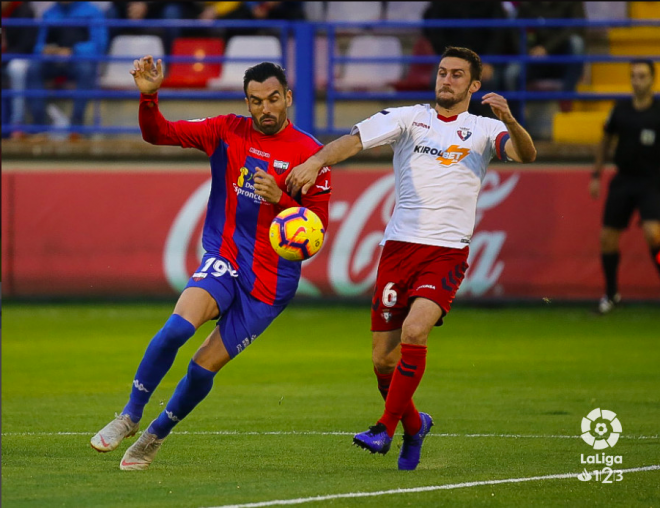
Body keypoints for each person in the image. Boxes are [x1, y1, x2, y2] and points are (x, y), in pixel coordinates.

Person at [286, 46, 536, 470]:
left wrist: (510, 120)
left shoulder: (480, 129)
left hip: (446, 251)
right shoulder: (408, 118)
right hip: (398, 250)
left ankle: (384, 428)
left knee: (415, 332)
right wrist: (315, 161)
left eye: (457, 75)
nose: (446, 80)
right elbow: (354, 141)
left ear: (474, 86)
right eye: (442, 72)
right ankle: (415, 426)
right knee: (383, 358)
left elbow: (525, 154)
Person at [90, 55, 331, 470]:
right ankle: (129, 415)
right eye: (256, 101)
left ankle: (155, 436)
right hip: (225, 259)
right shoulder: (226, 131)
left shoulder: (309, 155)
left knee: (202, 369)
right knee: (174, 330)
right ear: (247, 102)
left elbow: (316, 235)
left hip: (270, 286)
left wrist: (282, 200)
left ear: (288, 97)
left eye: (273, 98)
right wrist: (149, 98)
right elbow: (158, 134)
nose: (265, 109)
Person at [589, 59, 660, 314]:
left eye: (642, 76)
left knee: (654, 235)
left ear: (652, 79)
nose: (637, 81)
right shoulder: (620, 110)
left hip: (652, 181)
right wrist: (596, 174)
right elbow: (605, 140)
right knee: (607, 239)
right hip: (624, 180)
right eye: (633, 76)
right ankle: (611, 294)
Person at [25, 1, 107, 137]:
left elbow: (99, 45)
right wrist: (46, 50)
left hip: (78, 61)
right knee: (33, 68)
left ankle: (76, 128)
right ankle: (39, 127)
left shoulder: (92, 12)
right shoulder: (49, 13)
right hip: (52, 61)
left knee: (86, 70)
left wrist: (73, 51)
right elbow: (38, 46)